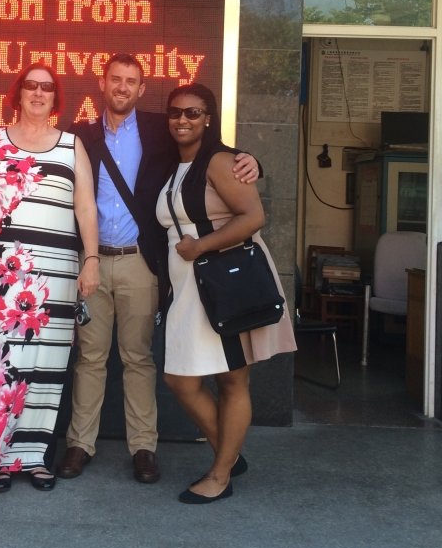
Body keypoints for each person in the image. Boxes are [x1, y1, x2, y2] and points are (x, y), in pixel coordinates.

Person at [56, 53, 260, 484]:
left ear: (142, 88)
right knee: (90, 358)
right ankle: (79, 444)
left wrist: (252, 160)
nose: (122, 87)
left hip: (140, 263)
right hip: (91, 262)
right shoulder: (78, 135)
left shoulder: (160, 129)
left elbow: (211, 151)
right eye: (116, 79)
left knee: (139, 359)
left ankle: (143, 447)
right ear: (102, 83)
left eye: (131, 81)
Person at [156, 82, 296, 504]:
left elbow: (253, 215)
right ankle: (230, 455)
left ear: (208, 118)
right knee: (179, 378)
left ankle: (220, 475)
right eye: (176, 112)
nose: (183, 119)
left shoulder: (218, 160)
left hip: (223, 282)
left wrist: (199, 246)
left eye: (193, 113)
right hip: (190, 287)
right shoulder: (178, 163)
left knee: (233, 378)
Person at [0, 61, 100, 493]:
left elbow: (85, 208)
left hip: (55, 277)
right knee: (6, 367)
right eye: (31, 86)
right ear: (18, 94)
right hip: (1, 280)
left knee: (46, 367)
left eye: (47, 88)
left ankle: (36, 457)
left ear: (55, 98)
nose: (39, 94)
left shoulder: (72, 145)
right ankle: (0, 458)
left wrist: (92, 258)